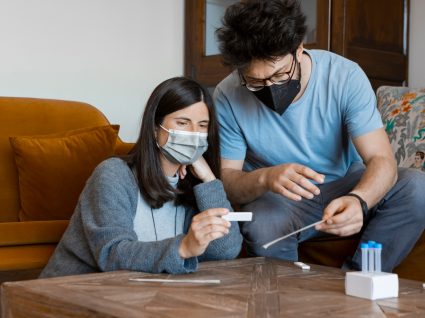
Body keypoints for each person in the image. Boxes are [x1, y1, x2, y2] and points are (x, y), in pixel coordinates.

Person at [213, 0, 425, 272]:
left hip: (345, 181)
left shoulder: (345, 76)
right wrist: (266, 177)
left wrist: (360, 200)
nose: (270, 88)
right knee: (261, 221)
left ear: (299, 48)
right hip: (280, 199)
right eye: (255, 82)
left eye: (280, 75)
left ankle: (357, 280)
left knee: (417, 188)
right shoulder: (227, 94)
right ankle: (292, 301)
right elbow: (229, 181)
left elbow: (381, 158)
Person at [40, 77, 242, 278]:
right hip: (69, 292)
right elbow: (112, 254)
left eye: (202, 125)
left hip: (135, 295)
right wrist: (183, 247)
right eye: (182, 122)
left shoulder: (193, 186)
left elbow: (225, 250)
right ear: (155, 129)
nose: (194, 134)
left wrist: (208, 179)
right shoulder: (113, 174)